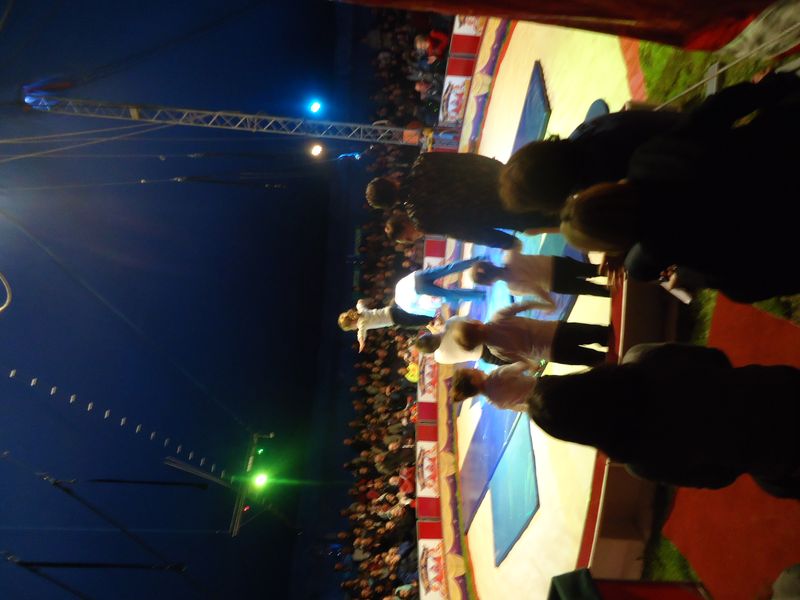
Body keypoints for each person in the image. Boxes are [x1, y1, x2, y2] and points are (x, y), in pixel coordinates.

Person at [558, 71, 800, 303]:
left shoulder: (658, 247)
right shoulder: (648, 159)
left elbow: (643, 267)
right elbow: (716, 109)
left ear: (612, 242)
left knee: (739, 288)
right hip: (783, 149)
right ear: (601, 189)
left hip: (784, 230)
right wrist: (764, 88)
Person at [527, 343, 800, 498]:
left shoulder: (639, 462)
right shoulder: (642, 358)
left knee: (773, 482)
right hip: (783, 387)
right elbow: (716, 358)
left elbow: (719, 478)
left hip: (782, 456)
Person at [499, 109, 682, 216]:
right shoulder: (581, 136)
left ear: (549, 196)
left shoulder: (599, 173)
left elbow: (654, 208)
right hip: (682, 125)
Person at [367, 152, 559, 250]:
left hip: (503, 211)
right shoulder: (423, 162)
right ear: (390, 179)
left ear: (389, 206)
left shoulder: (420, 218)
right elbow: (468, 160)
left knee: (556, 219)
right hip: (502, 179)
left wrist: (505, 242)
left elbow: (466, 231)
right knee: (555, 184)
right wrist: (499, 168)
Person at [439, 299, 610, 366]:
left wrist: (532, 365)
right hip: (555, 331)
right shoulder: (498, 318)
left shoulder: (496, 351)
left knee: (593, 359)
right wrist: (544, 304)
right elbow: (523, 305)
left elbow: (519, 359)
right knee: (596, 333)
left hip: (550, 353)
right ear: (475, 323)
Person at [469, 239, 609, 303]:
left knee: (593, 290)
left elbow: (536, 290)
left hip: (555, 283)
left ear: (490, 283)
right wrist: (505, 246)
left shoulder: (513, 287)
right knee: (593, 269)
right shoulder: (509, 256)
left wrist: (549, 304)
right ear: (490, 263)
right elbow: (517, 243)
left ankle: (615, 292)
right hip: (557, 264)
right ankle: (618, 272)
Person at [393, 256, 487, 316]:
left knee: (449, 294)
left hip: (419, 288)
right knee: (448, 269)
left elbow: (421, 310)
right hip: (417, 276)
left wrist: (433, 313)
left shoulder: (404, 307)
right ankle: (478, 260)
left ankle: (479, 294)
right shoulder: (398, 287)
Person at [338, 299, 433, 352]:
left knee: (414, 321)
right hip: (391, 310)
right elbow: (360, 302)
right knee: (413, 316)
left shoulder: (361, 323)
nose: (353, 329)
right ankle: (431, 314)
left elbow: (361, 334)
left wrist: (361, 343)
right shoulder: (361, 311)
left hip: (393, 318)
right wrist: (366, 301)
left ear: (352, 324)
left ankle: (432, 319)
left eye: (351, 328)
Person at [451, 359, 542, 413]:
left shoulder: (493, 401)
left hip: (536, 405)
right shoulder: (497, 375)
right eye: (471, 370)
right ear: (474, 381)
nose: (474, 368)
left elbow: (516, 408)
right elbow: (522, 365)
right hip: (540, 387)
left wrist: (531, 408)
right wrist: (533, 366)